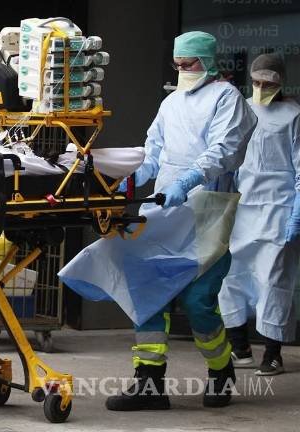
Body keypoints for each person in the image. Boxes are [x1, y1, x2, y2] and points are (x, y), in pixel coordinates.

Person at [104, 31, 257, 411]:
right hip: (163, 214)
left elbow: (223, 150)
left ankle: (221, 371)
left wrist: (187, 180)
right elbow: (154, 152)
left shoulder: (227, 99)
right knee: (148, 293)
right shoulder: (171, 102)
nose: (182, 70)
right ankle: (149, 384)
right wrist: (129, 179)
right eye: (177, 64)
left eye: (188, 64)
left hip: (206, 213)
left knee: (198, 302)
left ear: (208, 61)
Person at [219, 53, 299, 376]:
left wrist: (297, 214)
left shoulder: (294, 115)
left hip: (279, 208)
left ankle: (273, 353)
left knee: (273, 279)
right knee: (231, 276)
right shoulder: (244, 110)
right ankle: (239, 347)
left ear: (280, 83)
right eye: (256, 82)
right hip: (243, 208)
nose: (262, 88)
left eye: (269, 83)